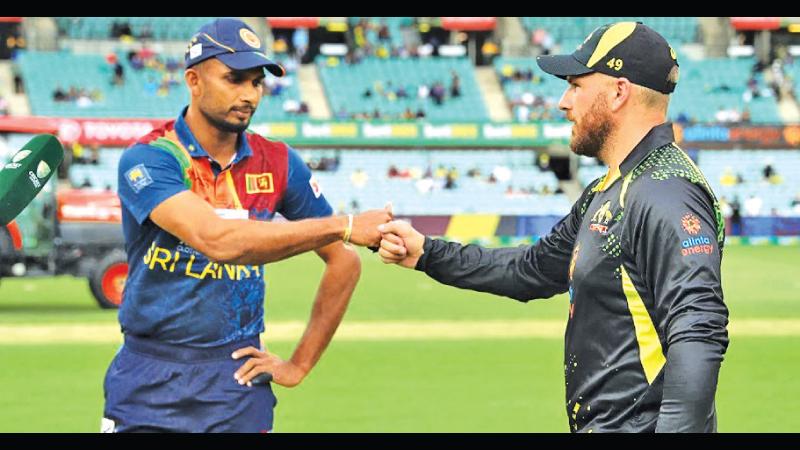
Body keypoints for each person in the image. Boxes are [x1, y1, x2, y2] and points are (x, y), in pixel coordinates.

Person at [377, 22, 728, 433]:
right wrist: (426, 253)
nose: (564, 102)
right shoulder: (611, 188)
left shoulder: (665, 192)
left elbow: (698, 328)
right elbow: (531, 269)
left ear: (619, 92)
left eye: (576, 85)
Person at [102, 18, 392, 433]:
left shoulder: (278, 162)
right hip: (149, 379)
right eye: (234, 79)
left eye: (256, 83)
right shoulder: (151, 158)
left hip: (236, 381)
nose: (249, 95)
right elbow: (216, 240)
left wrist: (298, 364)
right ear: (194, 80)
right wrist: (343, 224)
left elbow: (344, 263)